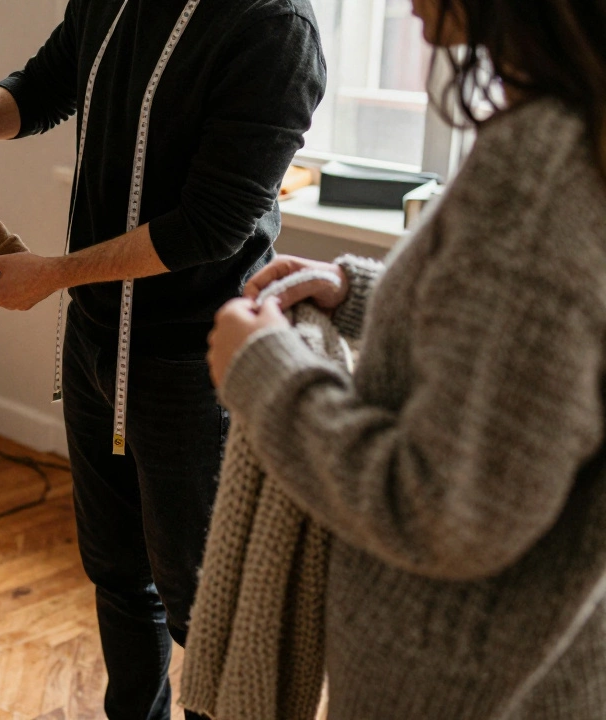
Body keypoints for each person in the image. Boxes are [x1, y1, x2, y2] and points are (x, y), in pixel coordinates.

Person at [0, 1, 325, 717]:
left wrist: (53, 274)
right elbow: (45, 85)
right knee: (118, 575)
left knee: (200, 603)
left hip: (198, 362)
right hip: (96, 339)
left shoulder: (274, 27)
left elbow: (210, 227)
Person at [206, 0, 606, 716]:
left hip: (457, 691)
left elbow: (447, 510)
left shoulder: (538, 173)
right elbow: (521, 334)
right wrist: (354, 288)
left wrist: (265, 374)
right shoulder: (574, 135)